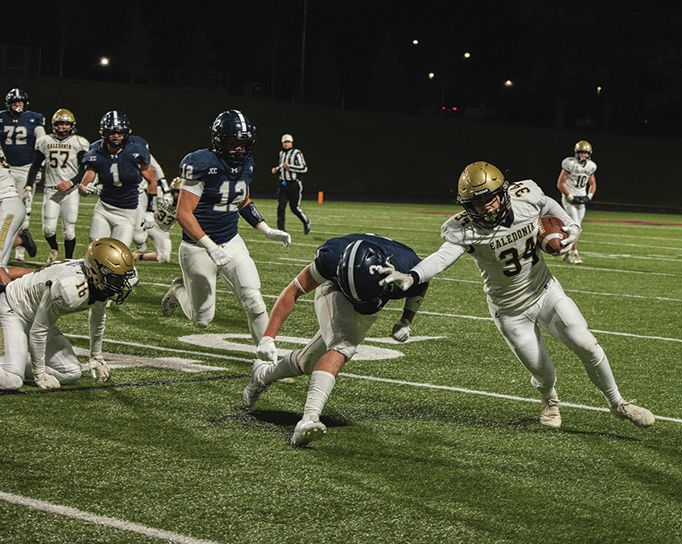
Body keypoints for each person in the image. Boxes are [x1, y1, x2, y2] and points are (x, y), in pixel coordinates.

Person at [379, 161, 655, 430]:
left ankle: (618, 403)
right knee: (543, 371)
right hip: (509, 310)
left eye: (489, 199)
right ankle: (549, 399)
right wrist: (412, 276)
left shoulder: (526, 196)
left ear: (503, 192)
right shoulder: (464, 228)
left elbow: (548, 204)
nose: (484, 207)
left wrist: (570, 224)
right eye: (476, 203)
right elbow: (442, 257)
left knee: (585, 343)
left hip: (545, 291)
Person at [243, 234, 429, 447]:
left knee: (307, 362)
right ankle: (309, 419)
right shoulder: (331, 259)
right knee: (343, 345)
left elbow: (421, 282)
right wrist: (268, 337)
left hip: (369, 293)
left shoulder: (406, 265)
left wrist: (407, 319)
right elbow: (293, 291)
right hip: (334, 291)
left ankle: (262, 375)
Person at [160, 110, 291, 344]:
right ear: (220, 141)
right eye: (234, 143)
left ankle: (267, 360)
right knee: (202, 319)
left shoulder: (246, 164)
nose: (240, 149)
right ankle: (178, 289)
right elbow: (183, 213)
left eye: (245, 143)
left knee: (255, 300)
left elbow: (243, 200)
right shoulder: (202, 163)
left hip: (231, 242)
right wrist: (210, 246)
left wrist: (265, 229)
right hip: (198, 248)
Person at [0, 237, 137, 391]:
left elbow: (98, 319)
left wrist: (96, 356)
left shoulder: (98, 282)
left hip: (35, 316)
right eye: (115, 279)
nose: (119, 284)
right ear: (96, 272)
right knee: (11, 381)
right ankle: (12, 363)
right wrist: (40, 373)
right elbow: (39, 331)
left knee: (71, 372)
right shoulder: (69, 287)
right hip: (11, 310)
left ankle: (13, 358)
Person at [77, 111, 160, 248]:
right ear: (104, 133)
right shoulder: (95, 153)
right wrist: (86, 189)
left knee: (118, 252)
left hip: (127, 212)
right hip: (104, 209)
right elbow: (82, 186)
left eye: (120, 133)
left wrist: (150, 211)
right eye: (112, 133)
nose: (116, 136)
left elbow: (152, 180)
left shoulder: (136, 151)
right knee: (96, 247)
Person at [24, 108, 90, 264]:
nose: (63, 127)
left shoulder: (78, 142)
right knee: (48, 230)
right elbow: (35, 166)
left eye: (66, 124)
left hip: (70, 192)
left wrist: (72, 182)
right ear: (54, 125)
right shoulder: (45, 141)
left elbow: (85, 169)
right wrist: (28, 185)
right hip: (51, 190)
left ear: (72, 125)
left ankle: (68, 260)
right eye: (60, 124)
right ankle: (54, 249)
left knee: (69, 231)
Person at [0, 88, 44, 261]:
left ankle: (20, 249)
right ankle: (18, 243)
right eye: (15, 102)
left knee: (22, 209)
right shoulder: (2, 118)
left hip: (26, 168)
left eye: (20, 102)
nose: (18, 105)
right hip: (6, 167)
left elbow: (42, 143)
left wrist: (39, 166)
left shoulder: (34, 118)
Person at [556, 140, 597, 264]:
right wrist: (569, 196)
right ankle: (573, 253)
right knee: (576, 226)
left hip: (581, 200)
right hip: (570, 199)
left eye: (585, 153)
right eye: (581, 152)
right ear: (576, 152)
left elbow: (593, 184)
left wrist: (589, 196)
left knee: (575, 226)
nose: (583, 155)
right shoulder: (570, 163)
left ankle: (567, 252)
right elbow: (560, 183)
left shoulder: (591, 166)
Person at [0, 151, 37, 267]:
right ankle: (21, 240)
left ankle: (40, 281)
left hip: (8, 209)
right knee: (1, 267)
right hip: (7, 207)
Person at [134, 177, 181, 263]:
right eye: (177, 192)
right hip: (148, 222)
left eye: (181, 193)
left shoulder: (186, 205)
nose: (178, 195)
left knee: (164, 257)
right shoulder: (161, 193)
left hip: (162, 231)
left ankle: (137, 257)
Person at [271, 133, 311, 235]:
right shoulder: (281, 153)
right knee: (281, 207)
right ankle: (281, 230)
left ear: (291, 143)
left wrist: (290, 167)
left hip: (294, 184)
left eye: (288, 142)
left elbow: (304, 168)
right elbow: (282, 165)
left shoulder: (297, 153)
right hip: (283, 184)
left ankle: (306, 221)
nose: (286, 144)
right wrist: (277, 169)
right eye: (284, 142)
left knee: (294, 208)